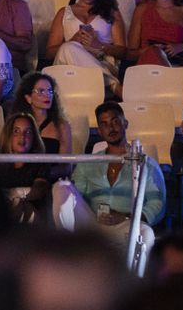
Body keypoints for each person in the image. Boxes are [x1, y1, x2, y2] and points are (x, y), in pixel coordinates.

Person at [70, 100, 167, 236]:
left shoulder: (146, 164)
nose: (111, 128)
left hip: (128, 225)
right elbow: (75, 199)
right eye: (104, 124)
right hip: (93, 226)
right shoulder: (87, 163)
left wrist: (126, 217)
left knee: (145, 233)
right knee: (62, 188)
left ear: (125, 124)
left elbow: (157, 204)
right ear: (99, 131)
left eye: (115, 122)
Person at [46, 0, 127, 89]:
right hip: (70, 70)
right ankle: (113, 86)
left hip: (102, 62)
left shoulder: (111, 11)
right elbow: (49, 53)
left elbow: (122, 52)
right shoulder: (64, 13)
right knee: (68, 48)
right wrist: (73, 41)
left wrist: (99, 45)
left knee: (68, 48)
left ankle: (108, 82)